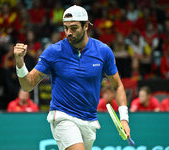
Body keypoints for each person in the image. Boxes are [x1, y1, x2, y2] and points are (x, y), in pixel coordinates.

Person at [14, 5, 131, 150]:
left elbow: (117, 85)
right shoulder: (53, 52)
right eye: (65, 28)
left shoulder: (103, 51)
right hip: (63, 116)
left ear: (86, 26)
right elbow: (28, 85)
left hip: (89, 120)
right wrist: (20, 63)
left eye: (74, 28)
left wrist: (124, 119)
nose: (68, 32)